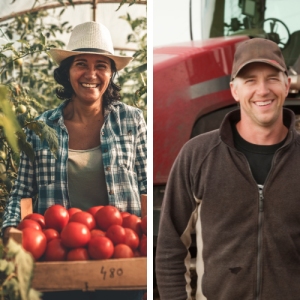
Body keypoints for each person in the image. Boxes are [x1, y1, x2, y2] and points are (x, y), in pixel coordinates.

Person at [2, 21, 146, 300]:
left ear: (111, 73)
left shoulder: (130, 120)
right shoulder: (42, 127)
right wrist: (11, 231)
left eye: (102, 65)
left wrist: (148, 247)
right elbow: (21, 193)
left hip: (120, 262)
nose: (91, 74)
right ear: (66, 72)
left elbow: (146, 186)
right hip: (58, 262)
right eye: (81, 63)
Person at [155, 37, 300, 300]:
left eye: (272, 78)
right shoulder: (197, 155)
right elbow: (169, 246)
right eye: (250, 80)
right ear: (234, 89)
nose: (263, 90)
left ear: (287, 85)